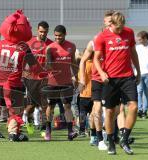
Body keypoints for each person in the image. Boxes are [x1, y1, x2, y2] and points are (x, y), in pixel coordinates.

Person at [0, 10, 36, 142]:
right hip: (15, 84)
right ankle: (12, 133)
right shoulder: (24, 47)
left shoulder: (0, 44)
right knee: (15, 111)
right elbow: (33, 65)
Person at [94, 11, 141, 155]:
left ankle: (124, 139)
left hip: (127, 77)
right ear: (111, 24)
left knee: (133, 107)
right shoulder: (101, 37)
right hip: (111, 79)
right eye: (117, 29)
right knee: (109, 111)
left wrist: (138, 71)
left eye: (122, 28)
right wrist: (102, 73)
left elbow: (133, 52)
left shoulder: (129, 32)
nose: (120, 31)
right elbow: (96, 58)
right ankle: (110, 142)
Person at [79, 10, 114, 150]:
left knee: (115, 110)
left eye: (112, 23)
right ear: (104, 25)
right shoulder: (94, 42)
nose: (110, 26)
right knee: (98, 108)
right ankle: (99, 138)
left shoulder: (118, 40)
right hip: (97, 79)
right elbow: (82, 61)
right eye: (108, 23)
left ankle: (111, 134)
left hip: (113, 80)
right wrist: (82, 80)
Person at [44, 25, 78, 141]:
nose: (57, 38)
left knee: (67, 106)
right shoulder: (50, 47)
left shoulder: (71, 46)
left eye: (60, 35)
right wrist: (49, 61)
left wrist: (77, 77)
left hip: (67, 82)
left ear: (65, 34)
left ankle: (70, 131)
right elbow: (47, 66)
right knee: (51, 106)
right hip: (52, 82)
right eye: (56, 36)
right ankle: (48, 130)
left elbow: (73, 62)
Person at [23, 21, 53, 130]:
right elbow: (23, 58)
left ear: (48, 31)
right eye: (41, 32)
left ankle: (45, 126)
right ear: (37, 30)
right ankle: (29, 123)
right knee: (31, 105)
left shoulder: (51, 44)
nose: (42, 34)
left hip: (44, 79)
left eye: (44, 32)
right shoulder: (30, 42)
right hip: (31, 78)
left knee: (45, 104)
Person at [136, 31, 148, 119]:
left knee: (146, 92)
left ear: (145, 38)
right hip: (138, 73)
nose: (138, 41)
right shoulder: (137, 48)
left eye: (140, 39)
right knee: (139, 91)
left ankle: (145, 111)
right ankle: (140, 109)